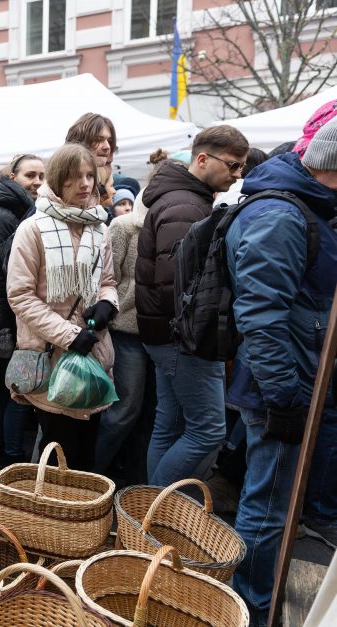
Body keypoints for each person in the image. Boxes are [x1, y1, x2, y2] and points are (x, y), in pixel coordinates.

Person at [226, 118, 337, 625]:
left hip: (292, 376)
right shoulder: (282, 214)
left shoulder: (303, 206)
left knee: (271, 498)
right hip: (279, 384)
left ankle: (256, 596)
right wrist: (286, 397)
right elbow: (262, 317)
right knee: (268, 505)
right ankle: (251, 605)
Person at [136, 125, 250, 486]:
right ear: (202, 159)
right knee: (207, 431)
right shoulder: (185, 204)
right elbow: (176, 285)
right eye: (232, 166)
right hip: (180, 337)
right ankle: (153, 508)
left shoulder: (186, 198)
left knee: (168, 423)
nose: (238, 175)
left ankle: (148, 515)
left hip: (167, 335)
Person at [6, 143, 118, 471]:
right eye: (73, 178)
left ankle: (80, 519)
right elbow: (20, 296)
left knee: (85, 457)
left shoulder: (100, 227)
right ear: (57, 182)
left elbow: (108, 282)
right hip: (51, 357)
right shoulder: (32, 229)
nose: (85, 184)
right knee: (59, 456)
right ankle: (52, 520)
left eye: (89, 176)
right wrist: (69, 335)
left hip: (94, 355)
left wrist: (107, 306)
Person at [0, 154, 45, 465]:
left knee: (8, 390)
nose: (38, 182)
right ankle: (6, 456)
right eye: (30, 175)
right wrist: (1, 329)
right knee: (14, 391)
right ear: (13, 177)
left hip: (15, 316)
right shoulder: (3, 215)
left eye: (42, 175)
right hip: (5, 318)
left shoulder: (24, 211)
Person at [92, 175, 154, 485]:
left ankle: (132, 480)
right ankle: (92, 478)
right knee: (123, 409)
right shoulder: (124, 226)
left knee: (147, 413)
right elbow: (108, 279)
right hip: (126, 330)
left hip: (160, 334)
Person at [66, 113, 117, 207]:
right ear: (80, 140)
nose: (107, 147)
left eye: (109, 141)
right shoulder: (59, 184)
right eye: (98, 140)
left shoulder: (98, 187)